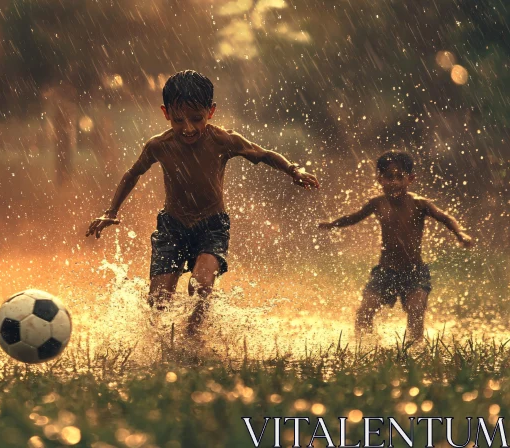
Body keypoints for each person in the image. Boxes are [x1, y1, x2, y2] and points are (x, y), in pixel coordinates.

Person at [86, 70, 319, 338]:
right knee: (159, 298)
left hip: (211, 226)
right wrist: (111, 211)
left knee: (201, 284)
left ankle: (192, 337)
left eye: (196, 119)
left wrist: (293, 171)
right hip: (172, 226)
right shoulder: (159, 146)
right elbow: (133, 173)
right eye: (178, 120)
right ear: (165, 114)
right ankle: (153, 343)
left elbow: (263, 154)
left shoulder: (223, 140)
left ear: (210, 112)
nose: (188, 128)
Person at [319, 150, 473, 341]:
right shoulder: (377, 203)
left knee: (416, 310)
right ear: (379, 179)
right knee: (365, 310)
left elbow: (445, 217)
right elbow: (354, 217)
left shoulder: (419, 204)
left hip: (415, 271)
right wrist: (333, 224)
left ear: (411, 178)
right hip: (385, 271)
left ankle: (414, 348)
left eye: (400, 177)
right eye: (388, 177)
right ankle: (363, 345)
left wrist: (460, 233)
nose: (394, 182)